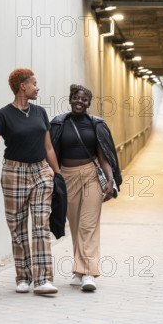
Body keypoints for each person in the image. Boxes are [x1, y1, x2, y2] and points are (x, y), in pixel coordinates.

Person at [0, 68, 61, 295]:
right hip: (14, 173)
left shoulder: (40, 113)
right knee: (17, 227)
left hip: (41, 172)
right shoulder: (3, 115)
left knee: (41, 224)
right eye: (34, 83)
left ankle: (43, 280)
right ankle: (23, 276)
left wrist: (58, 175)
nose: (37, 87)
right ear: (23, 86)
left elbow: (48, 147)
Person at [49, 84, 122, 291]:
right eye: (76, 98)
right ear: (70, 99)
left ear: (89, 103)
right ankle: (78, 271)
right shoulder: (58, 124)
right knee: (74, 225)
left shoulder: (96, 124)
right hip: (67, 176)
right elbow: (51, 152)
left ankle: (89, 273)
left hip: (91, 175)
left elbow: (104, 155)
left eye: (84, 99)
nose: (79, 102)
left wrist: (109, 179)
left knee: (88, 225)